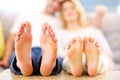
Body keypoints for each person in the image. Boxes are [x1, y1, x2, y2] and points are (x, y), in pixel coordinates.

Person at [56, 0, 113, 77]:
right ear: (61, 14)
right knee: (67, 60)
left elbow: (106, 50)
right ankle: (78, 65)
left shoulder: (92, 29)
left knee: (102, 59)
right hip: (71, 59)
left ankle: (92, 65)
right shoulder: (59, 33)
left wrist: (108, 60)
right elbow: (59, 52)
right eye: (65, 9)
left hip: (96, 57)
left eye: (72, 8)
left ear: (78, 10)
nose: (69, 11)